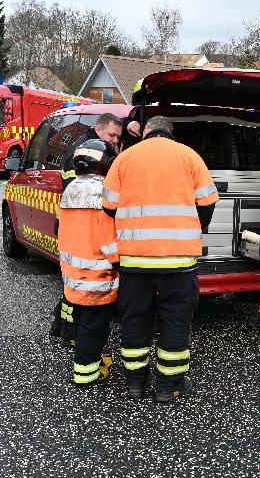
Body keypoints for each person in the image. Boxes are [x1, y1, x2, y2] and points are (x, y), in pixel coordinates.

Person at [101, 115, 219, 402]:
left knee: (135, 320)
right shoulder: (189, 156)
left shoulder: (126, 157)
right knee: (176, 322)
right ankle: (169, 386)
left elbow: (108, 207)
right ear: (170, 133)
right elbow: (207, 204)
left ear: (147, 132)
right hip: (179, 260)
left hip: (135, 260)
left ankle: (135, 384)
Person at [50, 113, 125, 345]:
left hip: (72, 222)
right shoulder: (85, 152)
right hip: (83, 223)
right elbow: (88, 189)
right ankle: (69, 333)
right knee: (77, 288)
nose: (115, 140)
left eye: (118, 137)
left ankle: (61, 328)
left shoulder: (89, 147)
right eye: (112, 135)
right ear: (99, 129)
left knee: (72, 285)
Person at [57, 139, 120, 387]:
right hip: (98, 277)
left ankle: (89, 361)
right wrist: (121, 263)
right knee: (95, 328)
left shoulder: (71, 189)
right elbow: (109, 241)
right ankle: (86, 373)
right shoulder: (104, 193)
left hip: (73, 274)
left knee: (83, 321)